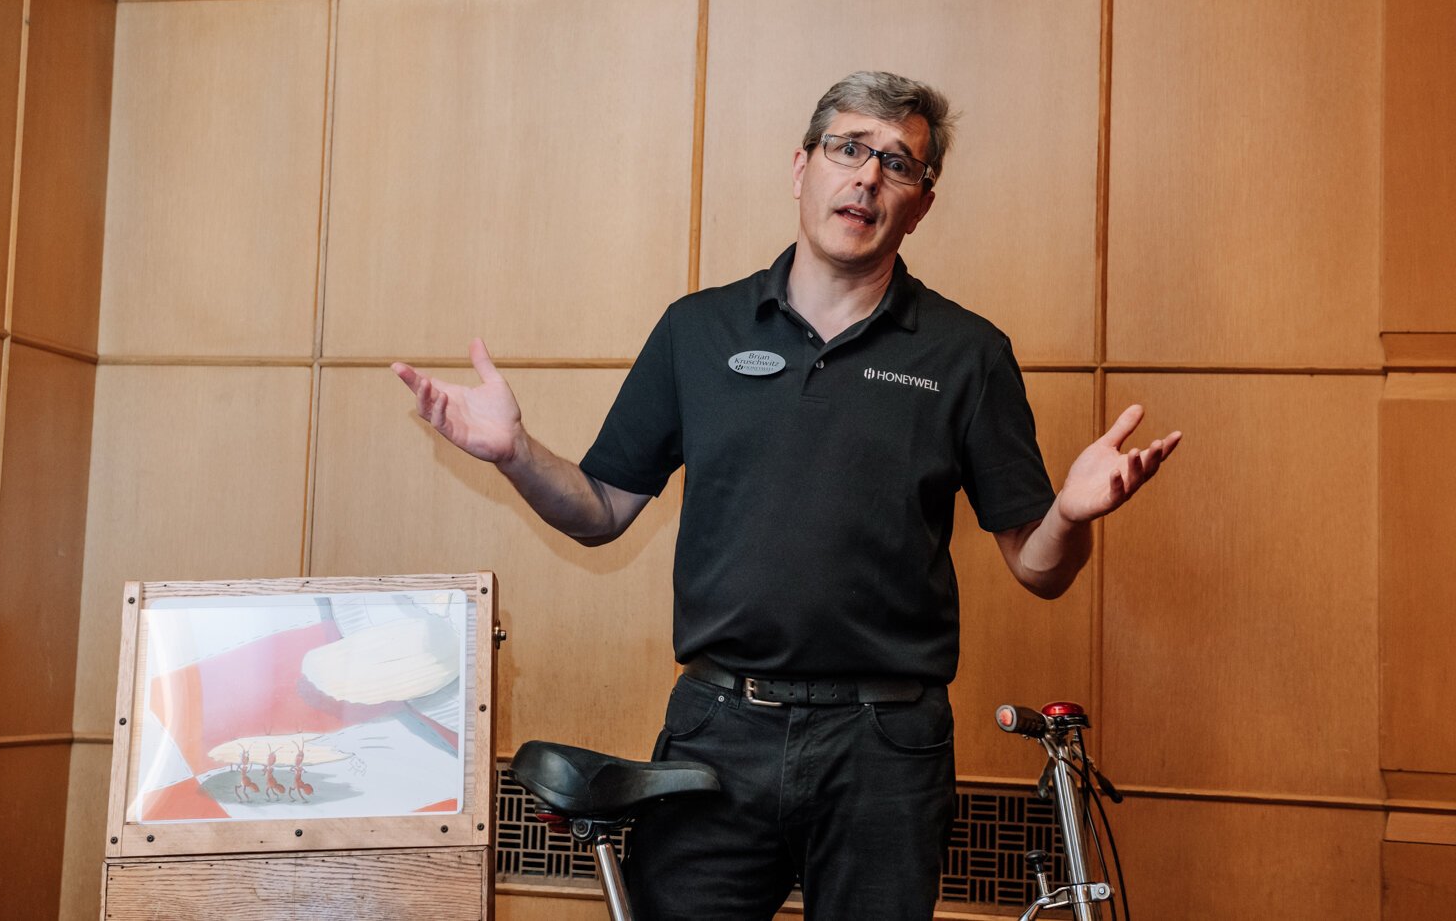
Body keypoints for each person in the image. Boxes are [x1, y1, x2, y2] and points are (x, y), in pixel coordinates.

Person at [392, 71, 1180, 920]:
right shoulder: (698, 330)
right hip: (717, 731)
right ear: (800, 167)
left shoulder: (968, 353)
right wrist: (515, 453)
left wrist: (1066, 514)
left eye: (897, 163)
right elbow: (600, 508)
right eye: (848, 148)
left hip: (887, 745)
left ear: (922, 202)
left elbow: (1039, 565)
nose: (867, 175)